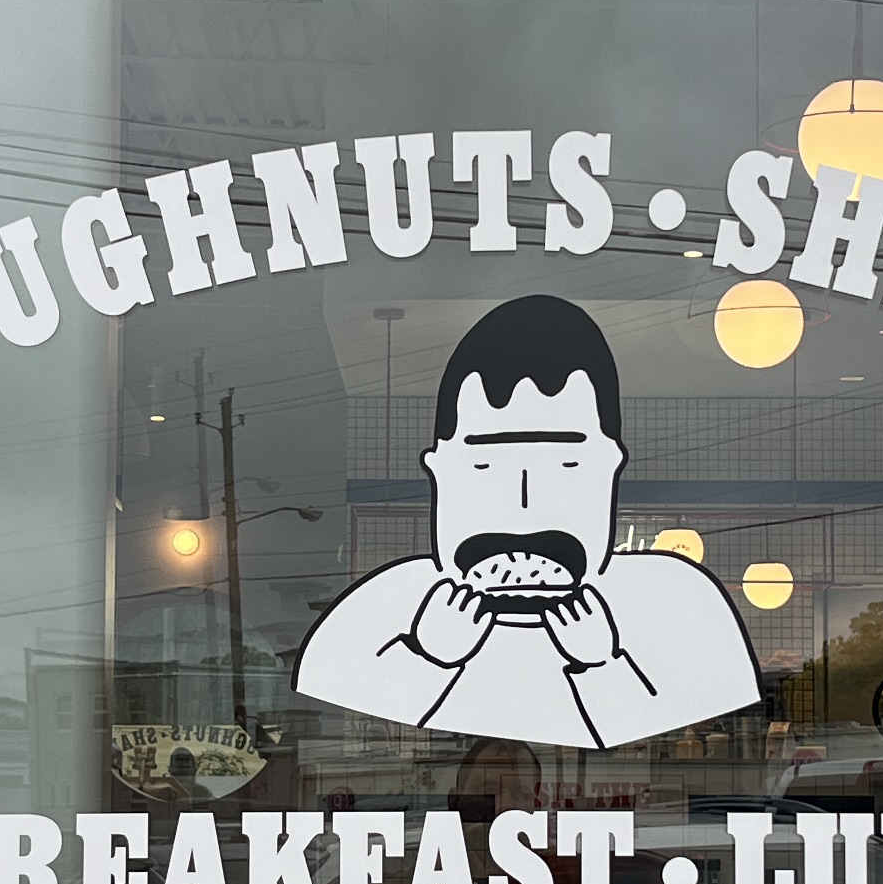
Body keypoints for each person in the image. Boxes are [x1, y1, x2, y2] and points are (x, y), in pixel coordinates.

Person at [295, 295, 757, 749]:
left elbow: (662, 739)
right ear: (437, 471)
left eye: (566, 466)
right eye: (483, 466)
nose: (524, 503)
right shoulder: (382, 609)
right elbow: (341, 726)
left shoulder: (677, 603)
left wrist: (602, 664)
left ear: (612, 467)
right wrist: (426, 657)